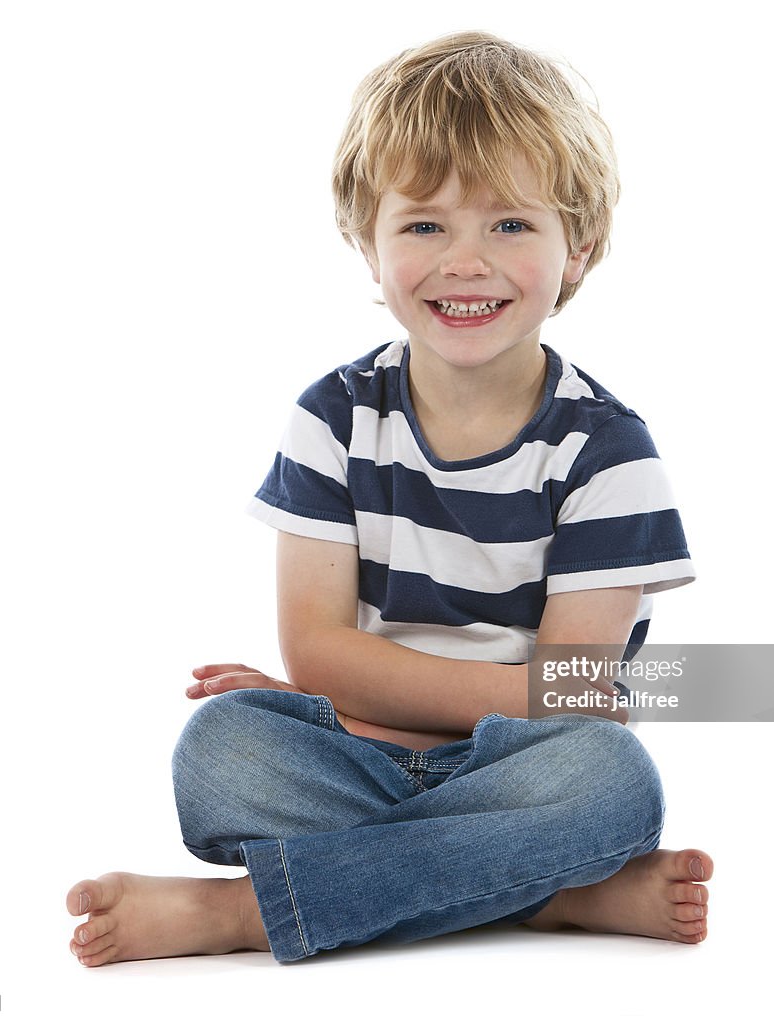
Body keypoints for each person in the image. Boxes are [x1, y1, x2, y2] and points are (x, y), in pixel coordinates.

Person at [66, 30, 713, 967]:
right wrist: (331, 708)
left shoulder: (608, 452)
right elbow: (319, 650)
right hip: (364, 757)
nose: (465, 260)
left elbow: (574, 705)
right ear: (367, 246)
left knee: (609, 782)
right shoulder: (332, 420)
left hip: (518, 771)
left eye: (510, 223)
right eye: (423, 225)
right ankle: (552, 894)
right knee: (221, 748)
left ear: (580, 247)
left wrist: (353, 695)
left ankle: (246, 913)